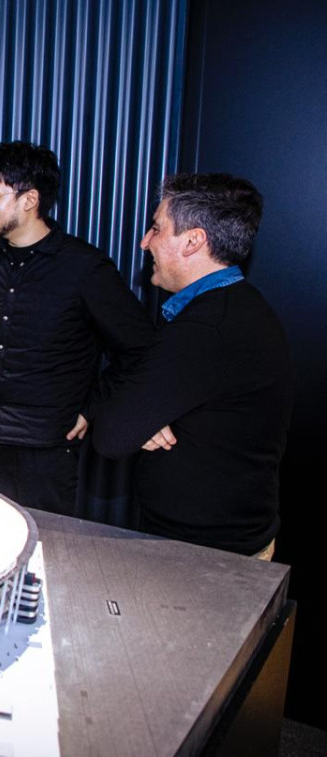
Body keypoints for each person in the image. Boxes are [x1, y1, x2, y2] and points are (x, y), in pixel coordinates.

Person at [92, 174, 293, 557]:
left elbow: (112, 434)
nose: (144, 242)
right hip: (221, 544)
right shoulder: (238, 305)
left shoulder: (207, 328)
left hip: (208, 557)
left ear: (192, 241)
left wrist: (140, 418)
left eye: (156, 229)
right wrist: (143, 416)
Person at [0, 140, 154, 515]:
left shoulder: (85, 268)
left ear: (29, 199)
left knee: (48, 542)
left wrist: (92, 408)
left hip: (46, 451)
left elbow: (140, 346)